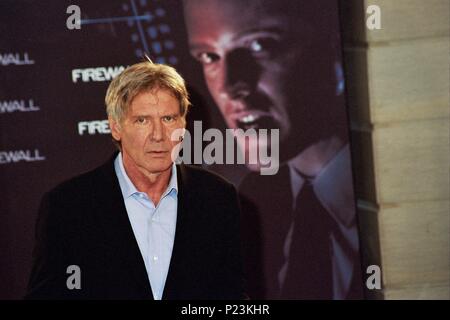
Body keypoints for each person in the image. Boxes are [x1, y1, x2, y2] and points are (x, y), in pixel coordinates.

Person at [183, 0, 363, 299]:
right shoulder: (249, 208)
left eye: (258, 45)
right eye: (209, 56)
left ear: (333, 50)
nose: (229, 86)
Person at [25, 61, 244, 300]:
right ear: (116, 127)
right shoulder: (68, 207)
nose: (158, 135)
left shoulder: (218, 198)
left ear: (183, 124)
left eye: (169, 119)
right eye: (142, 120)